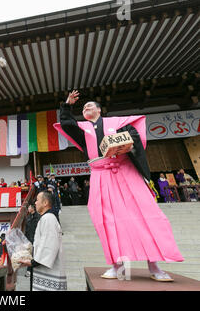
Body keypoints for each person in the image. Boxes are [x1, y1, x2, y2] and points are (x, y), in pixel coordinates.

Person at [53, 90, 183, 281]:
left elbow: (134, 137)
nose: (86, 107)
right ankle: (116, 265)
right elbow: (67, 124)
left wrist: (130, 145)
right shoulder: (83, 129)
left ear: (99, 110)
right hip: (101, 175)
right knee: (107, 220)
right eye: (84, 107)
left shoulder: (117, 124)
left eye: (90, 105)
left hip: (125, 172)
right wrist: (67, 105)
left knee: (145, 214)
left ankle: (154, 265)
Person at [19, 191, 67, 291]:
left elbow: (49, 245)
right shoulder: (46, 218)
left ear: (45, 203)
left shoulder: (48, 218)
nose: (35, 203)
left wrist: (33, 262)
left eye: (37, 200)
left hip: (49, 272)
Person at [24, 204, 40, 277]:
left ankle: (29, 270)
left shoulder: (38, 217)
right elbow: (27, 228)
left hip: (35, 238)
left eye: (29, 207)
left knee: (33, 254)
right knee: (30, 254)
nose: (28, 208)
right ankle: (29, 270)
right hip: (29, 238)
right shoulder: (28, 217)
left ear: (33, 208)